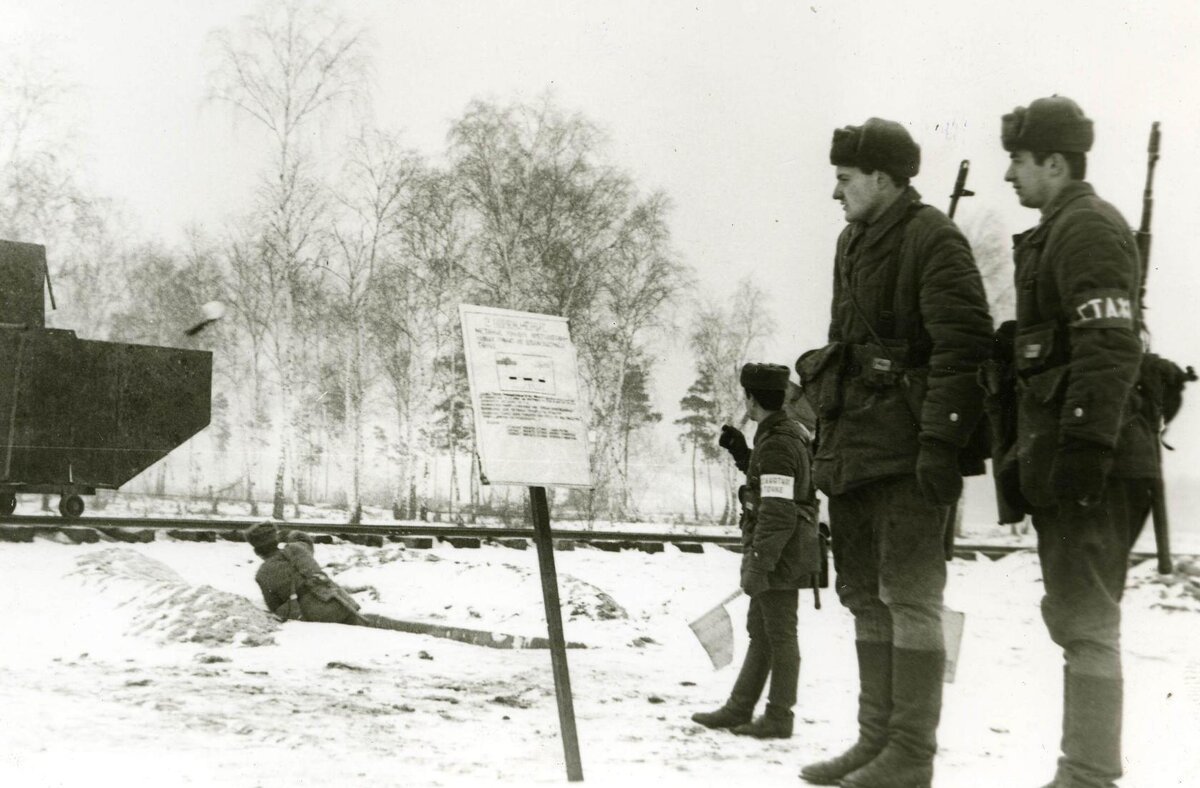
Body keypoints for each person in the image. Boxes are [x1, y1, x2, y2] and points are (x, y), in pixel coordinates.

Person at [795, 118, 993, 787]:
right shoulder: (851, 241)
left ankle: (910, 755)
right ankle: (875, 741)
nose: (836, 193)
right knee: (863, 596)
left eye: (845, 179)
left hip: (909, 453)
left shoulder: (933, 238)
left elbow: (964, 349)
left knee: (910, 598)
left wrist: (940, 442)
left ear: (882, 178)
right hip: (855, 450)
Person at [998, 96, 1155, 788]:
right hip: (1073, 451)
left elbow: (1108, 345)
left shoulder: (1084, 228)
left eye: (1019, 161)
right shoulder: (1060, 228)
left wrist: (1085, 448)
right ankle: (1084, 770)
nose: (1010, 175)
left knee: (1086, 620)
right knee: (1077, 617)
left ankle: (1088, 775)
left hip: (1093, 457)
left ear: (1055, 163)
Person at [691, 362, 820, 740]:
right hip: (783, 551)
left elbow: (778, 511)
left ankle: (779, 716)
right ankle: (739, 708)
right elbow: (772, 484)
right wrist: (741, 454)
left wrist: (759, 565)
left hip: (779, 554)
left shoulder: (778, 442)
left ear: (751, 399)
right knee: (763, 631)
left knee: (779, 634)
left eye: (745, 396)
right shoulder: (783, 435)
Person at [244, 521, 365, 625]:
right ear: (276, 541)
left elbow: (274, 607)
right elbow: (304, 538)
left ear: (256, 552)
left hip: (312, 618)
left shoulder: (262, 575)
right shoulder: (297, 548)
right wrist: (289, 535)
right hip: (340, 603)